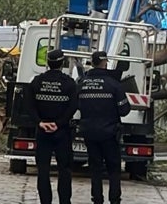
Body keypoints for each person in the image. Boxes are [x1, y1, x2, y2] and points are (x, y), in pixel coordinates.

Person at [24, 49, 79, 204]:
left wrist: (40, 122)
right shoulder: (69, 83)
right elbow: (73, 107)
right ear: (62, 63)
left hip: (42, 132)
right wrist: (59, 123)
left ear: (47, 63)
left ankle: (45, 201)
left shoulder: (36, 82)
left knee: (43, 170)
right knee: (65, 170)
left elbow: (29, 105)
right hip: (62, 132)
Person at [77, 51, 131, 204]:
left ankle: (97, 199)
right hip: (109, 133)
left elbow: (75, 105)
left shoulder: (82, 84)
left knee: (95, 168)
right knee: (114, 168)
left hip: (89, 132)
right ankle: (114, 199)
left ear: (92, 63)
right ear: (105, 63)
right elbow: (124, 110)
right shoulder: (114, 84)